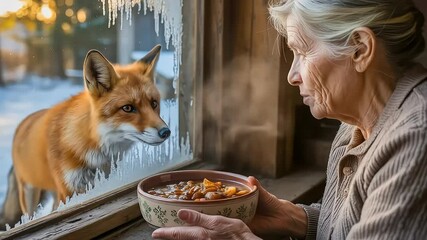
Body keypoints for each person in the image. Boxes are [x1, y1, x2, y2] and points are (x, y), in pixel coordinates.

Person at [152, 0, 427, 239]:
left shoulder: (415, 139)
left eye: (303, 52)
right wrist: (295, 219)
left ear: (360, 49)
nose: (292, 76)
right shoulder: (355, 124)